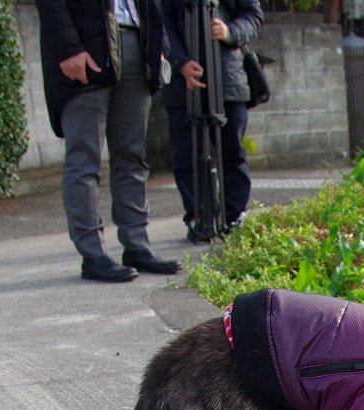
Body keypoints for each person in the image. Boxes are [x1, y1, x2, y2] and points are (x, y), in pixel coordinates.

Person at [35, 0, 183, 282]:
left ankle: (137, 245)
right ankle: (93, 254)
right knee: (84, 157)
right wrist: (68, 48)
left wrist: (160, 48)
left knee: (132, 156)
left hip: (138, 47)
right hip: (88, 47)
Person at [161, 0, 263, 244]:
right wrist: (181, 61)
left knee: (232, 152)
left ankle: (234, 215)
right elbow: (162, 23)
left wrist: (230, 32)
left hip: (227, 78)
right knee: (187, 154)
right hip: (181, 84)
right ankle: (199, 217)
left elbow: (253, 15)